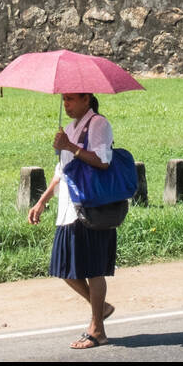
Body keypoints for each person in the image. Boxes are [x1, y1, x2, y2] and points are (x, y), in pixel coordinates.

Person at [28, 91, 116, 349]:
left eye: (71, 99)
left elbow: (103, 160)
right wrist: (42, 200)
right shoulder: (69, 127)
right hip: (68, 209)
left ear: (87, 99)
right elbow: (61, 171)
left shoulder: (99, 124)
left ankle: (97, 329)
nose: (66, 104)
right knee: (63, 266)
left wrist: (70, 147)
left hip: (91, 206)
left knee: (93, 269)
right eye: (64, 99)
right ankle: (102, 308)